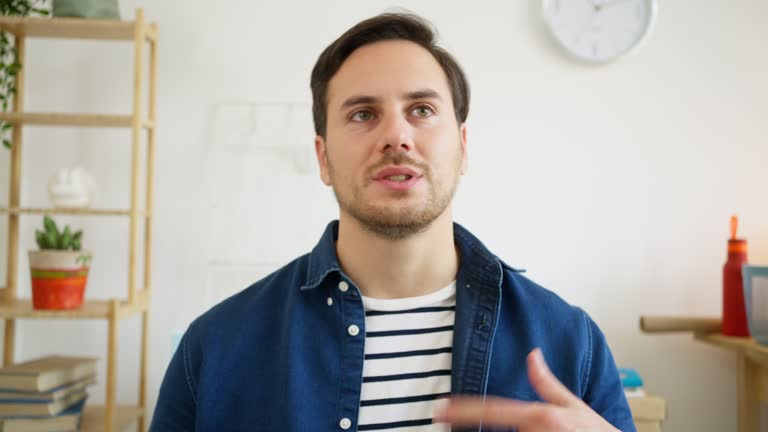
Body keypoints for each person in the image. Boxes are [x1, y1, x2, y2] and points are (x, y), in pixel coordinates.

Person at [150, 11, 635, 432]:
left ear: (463, 147)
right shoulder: (213, 351)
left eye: (421, 110)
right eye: (363, 114)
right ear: (322, 157)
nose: (397, 136)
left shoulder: (573, 344)